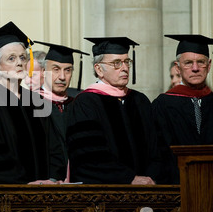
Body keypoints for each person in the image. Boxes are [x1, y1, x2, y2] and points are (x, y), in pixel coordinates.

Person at [0, 21, 64, 184]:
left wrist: (51, 178)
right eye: (11, 58)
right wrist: (24, 184)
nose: (20, 62)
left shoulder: (37, 101)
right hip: (9, 194)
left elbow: (55, 149)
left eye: (23, 57)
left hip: (45, 192)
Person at [66, 37, 166, 185]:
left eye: (127, 62)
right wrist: (129, 178)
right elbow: (88, 157)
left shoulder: (140, 101)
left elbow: (156, 149)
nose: (124, 68)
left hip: (147, 190)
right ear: (99, 69)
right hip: (106, 193)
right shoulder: (86, 102)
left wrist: (151, 177)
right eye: (116, 63)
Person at [152, 34, 213, 183]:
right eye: (188, 63)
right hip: (176, 185)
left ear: (209, 65)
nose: (195, 68)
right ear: (178, 67)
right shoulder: (163, 104)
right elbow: (157, 152)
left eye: (201, 62)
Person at [32, 41, 90, 181]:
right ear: (44, 72)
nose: (62, 77)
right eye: (56, 69)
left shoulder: (79, 105)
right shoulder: (30, 104)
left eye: (68, 70)